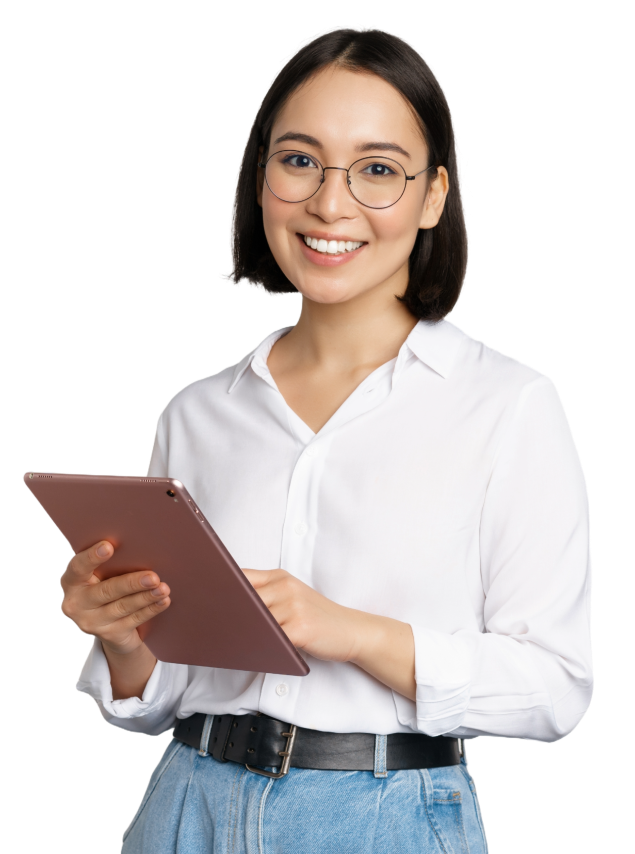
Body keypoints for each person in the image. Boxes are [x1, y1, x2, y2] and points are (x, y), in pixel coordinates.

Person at [61, 25, 593, 853]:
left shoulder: (508, 406)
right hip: (183, 807)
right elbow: (156, 699)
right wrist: (121, 637)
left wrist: (347, 631)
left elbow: (553, 692)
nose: (330, 204)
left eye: (377, 170)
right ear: (260, 177)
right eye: (299, 160)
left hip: (387, 819)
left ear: (431, 197)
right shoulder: (196, 414)